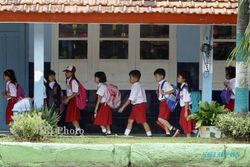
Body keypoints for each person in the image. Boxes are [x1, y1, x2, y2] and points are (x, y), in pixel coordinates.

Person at [118, 70, 152, 137]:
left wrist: (122, 107)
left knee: (143, 121)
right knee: (130, 120)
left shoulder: (135, 86)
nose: (129, 79)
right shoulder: (139, 85)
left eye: (130, 77)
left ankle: (149, 135)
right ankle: (126, 134)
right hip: (137, 106)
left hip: (139, 106)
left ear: (135, 78)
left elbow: (131, 99)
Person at [154, 68, 179, 137]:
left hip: (165, 102)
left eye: (157, 76)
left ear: (162, 76)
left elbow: (173, 90)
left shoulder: (165, 83)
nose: (155, 78)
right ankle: (168, 133)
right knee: (163, 119)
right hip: (162, 103)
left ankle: (173, 129)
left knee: (160, 119)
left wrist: (164, 92)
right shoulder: (161, 84)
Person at [63, 65, 83, 135]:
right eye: (66, 72)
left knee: (73, 116)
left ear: (72, 73)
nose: (66, 73)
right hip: (71, 99)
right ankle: (78, 130)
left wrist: (68, 99)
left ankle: (78, 130)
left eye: (68, 72)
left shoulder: (73, 81)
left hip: (73, 100)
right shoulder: (69, 80)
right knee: (72, 116)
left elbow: (76, 93)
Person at [177, 71, 195, 137]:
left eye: (179, 77)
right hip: (185, 107)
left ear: (184, 79)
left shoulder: (185, 88)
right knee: (183, 122)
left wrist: (186, 111)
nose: (177, 78)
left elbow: (186, 100)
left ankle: (188, 137)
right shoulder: (183, 87)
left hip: (186, 107)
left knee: (186, 123)